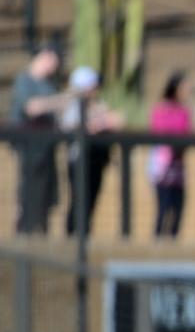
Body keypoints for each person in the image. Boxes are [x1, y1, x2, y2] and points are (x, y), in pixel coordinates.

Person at [9, 46, 71, 234]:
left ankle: (40, 233)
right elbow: (30, 108)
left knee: (47, 196)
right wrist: (59, 101)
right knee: (28, 195)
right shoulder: (24, 81)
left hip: (47, 148)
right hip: (30, 148)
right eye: (54, 61)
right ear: (45, 57)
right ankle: (24, 234)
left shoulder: (49, 84)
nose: (55, 67)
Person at [61, 66, 125, 235]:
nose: (96, 89)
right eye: (92, 86)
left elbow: (115, 120)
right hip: (80, 159)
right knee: (78, 201)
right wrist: (100, 124)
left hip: (97, 159)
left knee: (90, 201)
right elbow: (72, 126)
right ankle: (72, 237)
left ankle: (84, 235)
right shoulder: (73, 106)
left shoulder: (99, 104)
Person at [149, 71, 193, 237]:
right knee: (163, 207)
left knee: (178, 208)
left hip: (178, 166)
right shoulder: (162, 108)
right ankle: (158, 243)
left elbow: (187, 132)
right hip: (163, 166)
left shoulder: (185, 110)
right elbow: (159, 131)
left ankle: (173, 243)